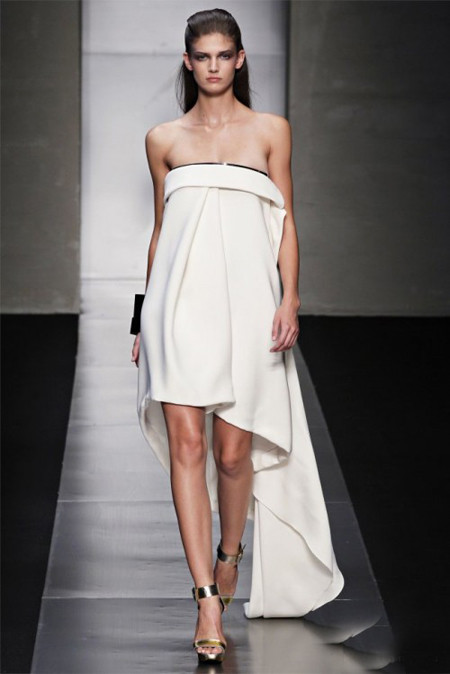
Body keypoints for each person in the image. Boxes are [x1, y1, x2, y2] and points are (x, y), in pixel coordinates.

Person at [130, 8, 344, 665]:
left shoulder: (271, 131)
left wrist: (291, 297)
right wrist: (141, 320)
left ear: (240, 59)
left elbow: (285, 220)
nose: (214, 67)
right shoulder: (163, 139)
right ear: (188, 62)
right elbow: (163, 233)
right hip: (177, 310)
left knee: (232, 453)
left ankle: (230, 554)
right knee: (188, 445)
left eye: (225, 55)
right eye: (203, 57)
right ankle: (205, 599)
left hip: (249, 307)